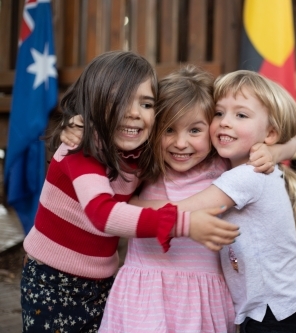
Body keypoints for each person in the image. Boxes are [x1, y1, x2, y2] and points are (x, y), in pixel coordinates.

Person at [60, 65, 296, 332]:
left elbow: (294, 141)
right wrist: (78, 128)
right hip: (144, 298)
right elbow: (106, 153)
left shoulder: (222, 166)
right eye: (169, 130)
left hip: (201, 301)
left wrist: (274, 150)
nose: (180, 143)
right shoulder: (144, 164)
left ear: (212, 129)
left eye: (195, 131)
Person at [20, 51, 239, 333]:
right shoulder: (81, 151)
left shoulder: (138, 150)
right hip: (52, 280)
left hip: (101, 281)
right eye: (119, 101)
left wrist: (273, 150)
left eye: (146, 104)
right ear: (94, 104)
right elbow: (103, 214)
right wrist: (182, 222)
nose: (134, 112)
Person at [134, 70, 296, 333]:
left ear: (270, 133)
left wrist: (125, 207)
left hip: (274, 314)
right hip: (277, 306)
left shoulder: (247, 176)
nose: (225, 123)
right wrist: (278, 149)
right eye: (219, 113)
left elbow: (179, 211)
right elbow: (290, 144)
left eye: (240, 115)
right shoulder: (240, 166)